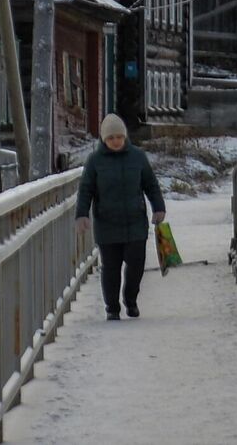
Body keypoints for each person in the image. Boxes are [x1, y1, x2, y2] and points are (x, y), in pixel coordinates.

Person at [74, 113, 165, 320]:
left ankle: (130, 299)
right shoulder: (95, 161)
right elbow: (86, 189)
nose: (115, 141)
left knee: (136, 265)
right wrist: (81, 214)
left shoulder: (138, 157)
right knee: (111, 269)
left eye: (119, 137)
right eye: (111, 138)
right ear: (104, 140)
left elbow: (151, 184)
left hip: (135, 222)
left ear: (125, 137)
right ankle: (112, 308)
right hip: (107, 224)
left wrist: (158, 207)